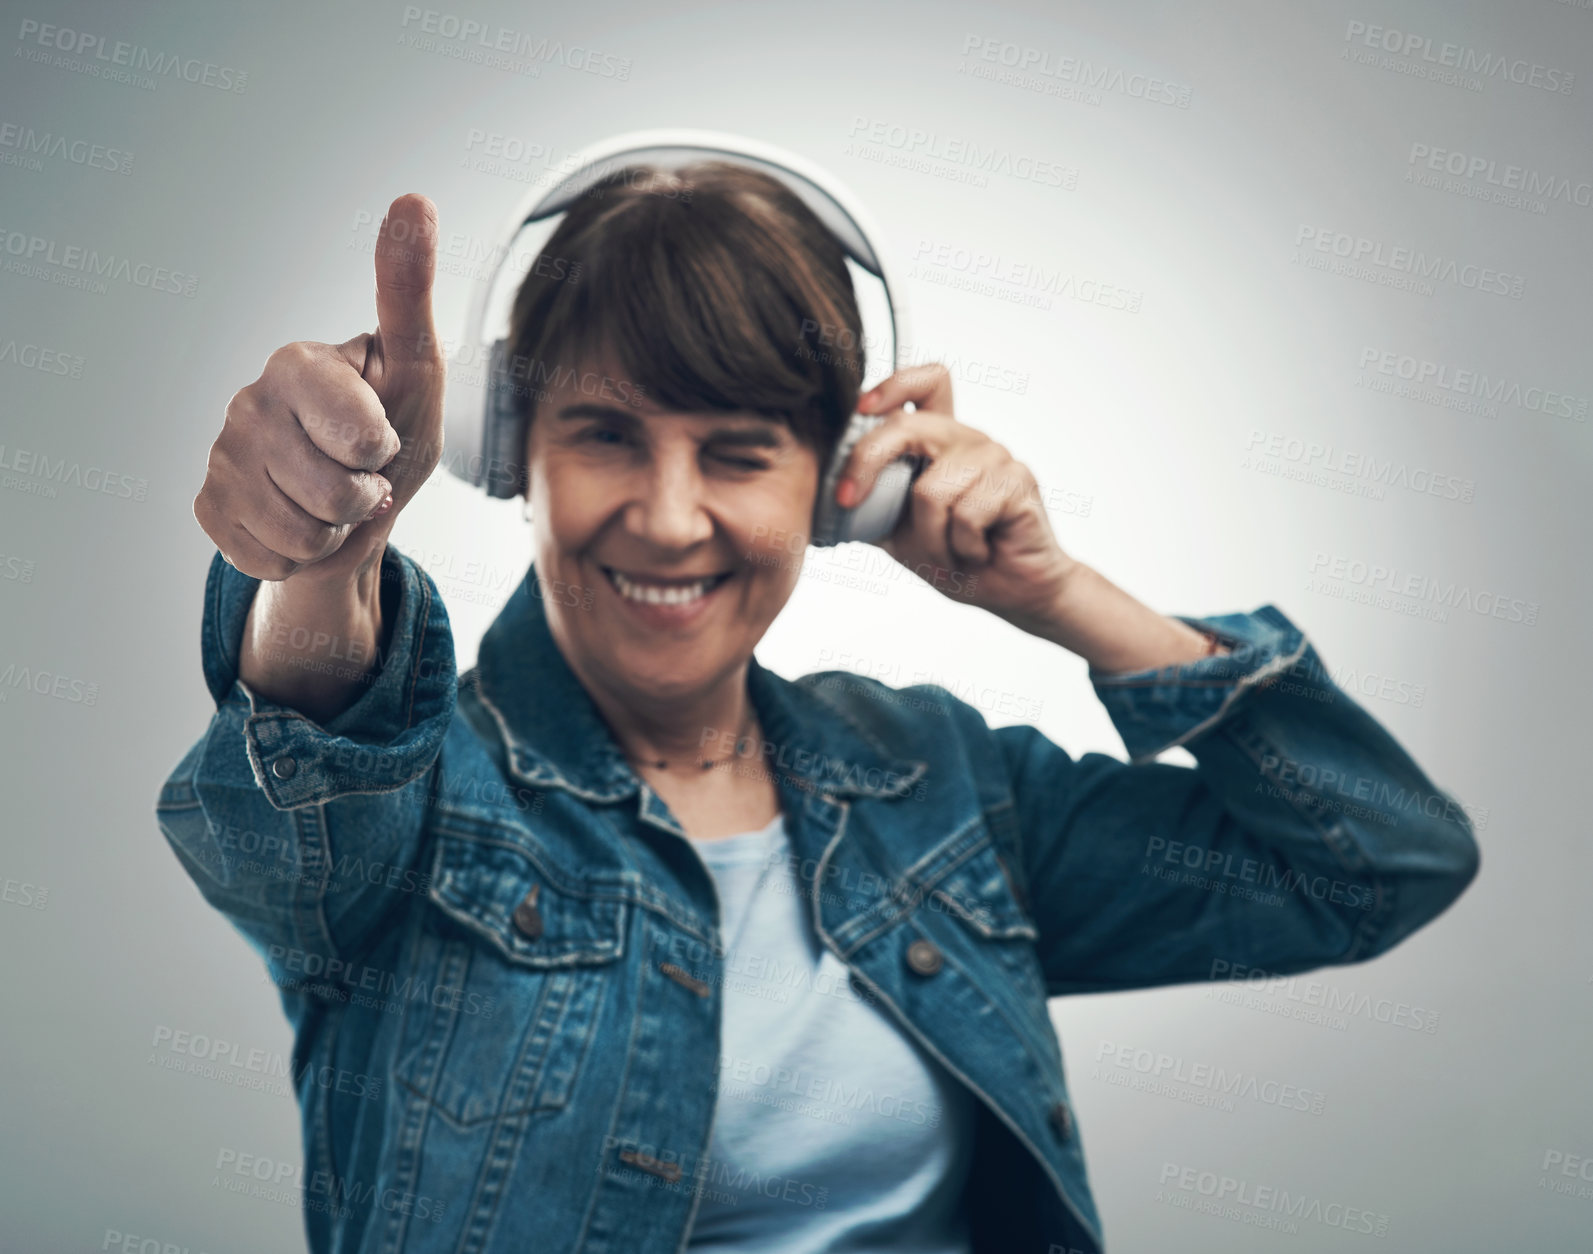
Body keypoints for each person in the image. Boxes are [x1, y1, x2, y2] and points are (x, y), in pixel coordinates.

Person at [157, 166, 1480, 1254]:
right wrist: (325, 561)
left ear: (843, 487)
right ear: (514, 451)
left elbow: (1376, 866)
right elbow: (307, 772)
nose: (669, 518)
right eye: (606, 434)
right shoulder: (416, 804)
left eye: (739, 453)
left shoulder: (945, 785)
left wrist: (1062, 593)